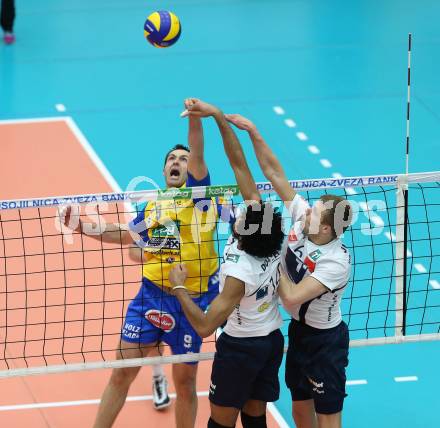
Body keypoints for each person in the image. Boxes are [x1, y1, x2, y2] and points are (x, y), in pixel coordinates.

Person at [63, 100, 221, 428]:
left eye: (183, 158)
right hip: (148, 297)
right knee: (121, 375)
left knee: (186, 385)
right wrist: (82, 226)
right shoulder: (151, 208)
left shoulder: (200, 198)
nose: (178, 162)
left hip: (188, 302)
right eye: (171, 160)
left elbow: (198, 153)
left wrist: (195, 119)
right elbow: (125, 236)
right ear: (164, 172)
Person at [226, 114, 352, 428]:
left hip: (325, 343)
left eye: (315, 211)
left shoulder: (335, 262)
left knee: (328, 418)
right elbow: (273, 171)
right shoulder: (302, 222)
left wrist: (268, 257)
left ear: (325, 227)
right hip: (298, 334)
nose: (307, 208)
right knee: (299, 412)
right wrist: (254, 132)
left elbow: (293, 295)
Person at [168, 99, 285, 428]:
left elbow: (205, 327)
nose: (240, 208)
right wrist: (218, 116)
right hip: (272, 338)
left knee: (220, 423)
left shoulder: (239, 271)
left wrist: (179, 287)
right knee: (254, 418)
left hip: (240, 347)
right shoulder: (265, 237)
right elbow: (239, 164)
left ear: (243, 233)